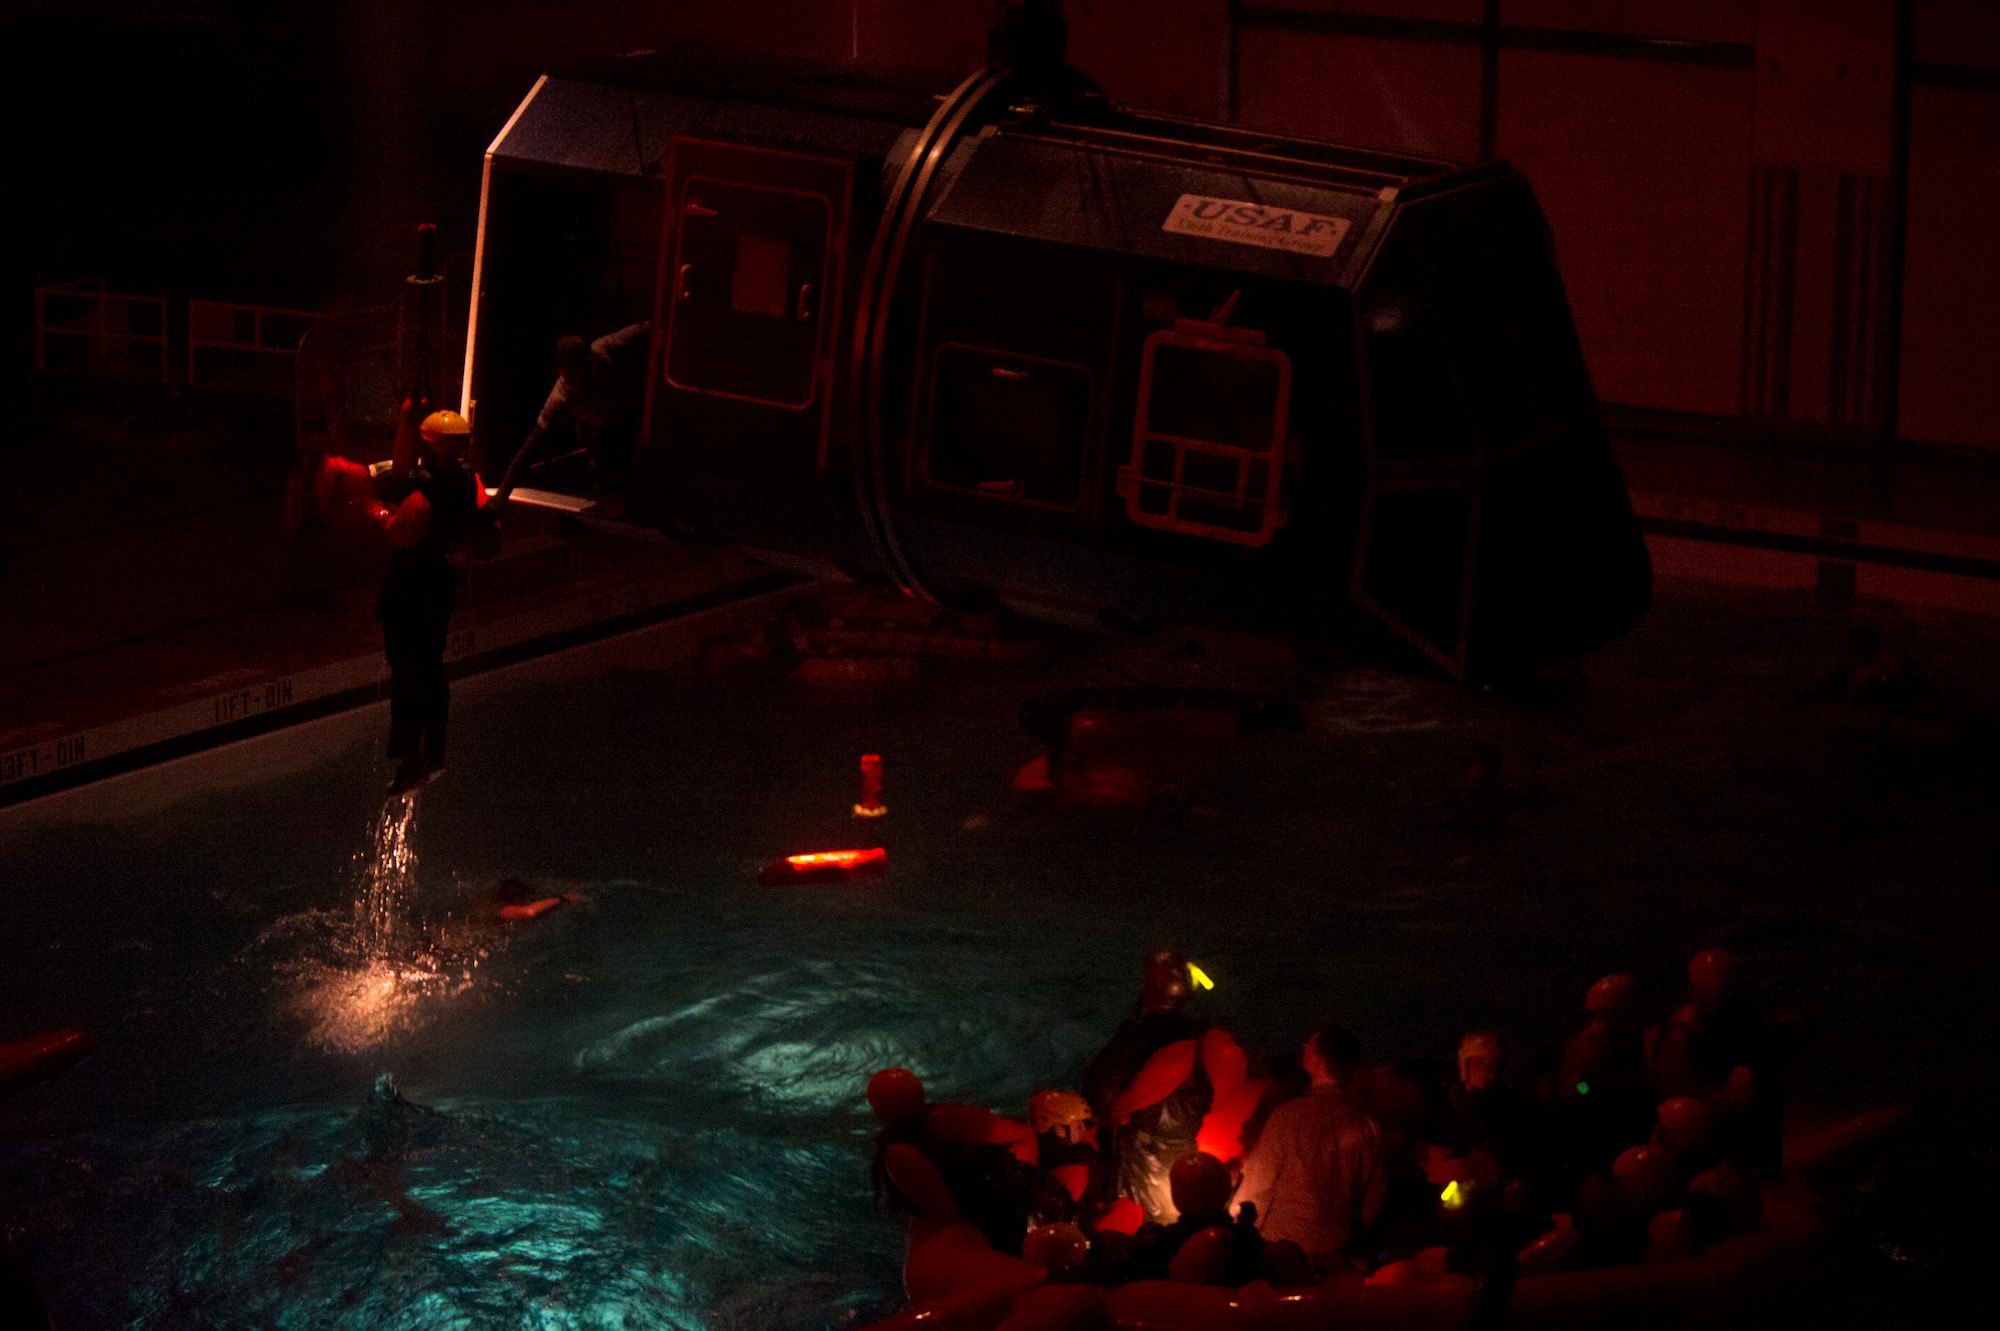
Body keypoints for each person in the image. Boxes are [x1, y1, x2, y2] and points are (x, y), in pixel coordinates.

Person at [319, 401, 496, 793]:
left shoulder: (422, 484)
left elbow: (388, 483)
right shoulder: (466, 480)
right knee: (432, 671)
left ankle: (409, 757)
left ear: (430, 444)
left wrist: (397, 426)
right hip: (441, 589)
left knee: (406, 673)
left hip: (410, 589)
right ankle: (434, 751)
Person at [1231, 1023, 1387, 1265]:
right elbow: (1372, 1199)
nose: (1304, 1047)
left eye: (1311, 1044)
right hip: (1336, 1252)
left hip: (1282, 1251)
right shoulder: (1368, 1124)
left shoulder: (1287, 1116)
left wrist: (1239, 1231)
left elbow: (1258, 1188)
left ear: (1321, 1060)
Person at [1083, 950, 1220, 1222]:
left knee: (1139, 1223)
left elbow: (1099, 1088)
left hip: (1141, 1156)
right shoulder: (1198, 1037)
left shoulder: (1138, 1036)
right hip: (1183, 1152)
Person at [866, 1067, 1039, 1256]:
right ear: (918, 1094)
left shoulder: (893, 1150)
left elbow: (939, 1207)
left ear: (879, 1109)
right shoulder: (942, 1120)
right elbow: (1024, 1135)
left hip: (977, 1216)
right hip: (994, 1210)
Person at [509, 323, 651, 509]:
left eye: (573, 375)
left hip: (634, 412)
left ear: (586, 363)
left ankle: (629, 498)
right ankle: (608, 498)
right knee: (598, 437)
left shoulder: (603, 350)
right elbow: (529, 447)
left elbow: (644, 328)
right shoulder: (561, 396)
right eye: (564, 376)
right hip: (605, 429)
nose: (569, 382)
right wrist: (500, 499)